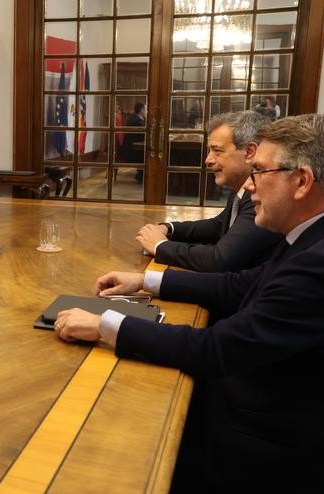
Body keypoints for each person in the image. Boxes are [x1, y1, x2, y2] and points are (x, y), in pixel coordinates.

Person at [54, 114, 324, 491]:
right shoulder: (307, 237)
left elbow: (217, 348)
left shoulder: (314, 263)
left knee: (120, 431)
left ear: (301, 181)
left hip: (265, 440)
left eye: (259, 171)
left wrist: (105, 325)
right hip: (258, 402)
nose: (249, 184)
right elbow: (237, 285)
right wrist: (145, 280)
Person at [136, 111, 282, 272]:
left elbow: (219, 260)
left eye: (217, 151)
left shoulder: (262, 196)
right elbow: (217, 226)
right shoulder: (241, 188)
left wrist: (160, 246)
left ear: (249, 152)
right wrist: (169, 229)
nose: (208, 160)